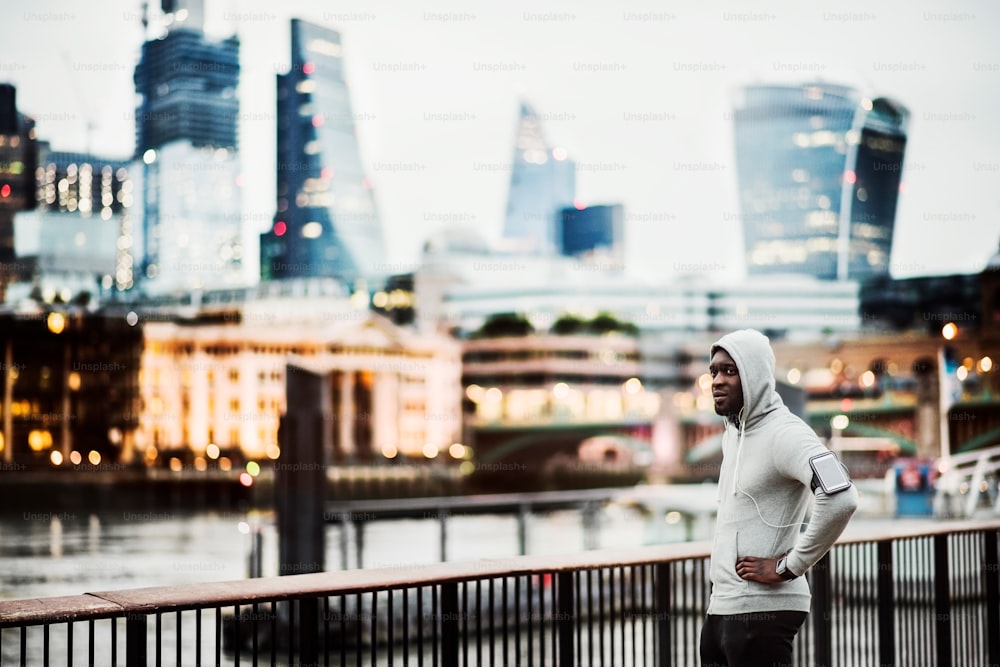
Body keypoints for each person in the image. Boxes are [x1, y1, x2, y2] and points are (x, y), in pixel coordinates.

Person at [699, 329, 859, 667]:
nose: (717, 380)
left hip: (763, 612)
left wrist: (789, 567)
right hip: (722, 607)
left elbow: (841, 496)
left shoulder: (787, 433)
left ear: (755, 374)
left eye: (730, 370)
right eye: (713, 371)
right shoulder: (733, 435)